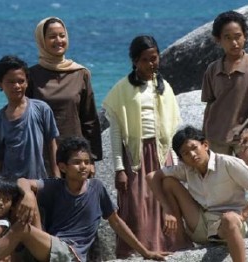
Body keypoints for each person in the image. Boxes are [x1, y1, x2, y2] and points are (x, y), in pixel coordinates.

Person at [0, 137, 169, 262]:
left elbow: (117, 223)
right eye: (76, 163)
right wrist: (28, 194)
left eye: (86, 162)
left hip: (71, 255)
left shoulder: (96, 188)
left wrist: (146, 252)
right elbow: (22, 181)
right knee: (25, 198)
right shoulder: (55, 186)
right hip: (51, 246)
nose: (83, 167)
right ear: (62, 167)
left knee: (21, 229)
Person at [102, 35, 190, 258]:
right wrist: (119, 168)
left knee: (166, 203)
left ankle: (170, 248)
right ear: (134, 61)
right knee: (137, 205)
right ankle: (140, 251)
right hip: (136, 156)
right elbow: (116, 132)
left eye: (155, 58)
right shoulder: (122, 89)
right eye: (145, 60)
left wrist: (176, 162)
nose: (152, 64)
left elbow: (172, 127)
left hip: (162, 154)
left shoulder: (164, 87)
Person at [201, 11, 248, 243]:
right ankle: (220, 231)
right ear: (218, 40)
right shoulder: (213, 69)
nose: (234, 42)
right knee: (218, 186)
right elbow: (210, 104)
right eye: (228, 38)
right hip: (215, 136)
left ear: (245, 37)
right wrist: (204, 137)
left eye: (238, 36)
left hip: (244, 136)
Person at [146, 126, 248, 262]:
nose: (192, 155)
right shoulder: (186, 169)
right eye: (186, 153)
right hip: (201, 225)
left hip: (229, 226)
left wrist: (244, 215)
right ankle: (181, 241)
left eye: (194, 148)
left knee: (229, 219)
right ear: (181, 158)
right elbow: (152, 177)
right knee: (168, 182)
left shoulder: (226, 163)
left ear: (205, 145)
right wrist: (167, 210)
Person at [27, 17, 103, 165]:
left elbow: (89, 120)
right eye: (52, 37)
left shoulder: (81, 73)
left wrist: (91, 160)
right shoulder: (31, 76)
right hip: (42, 157)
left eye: (62, 35)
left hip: (75, 157)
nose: (58, 40)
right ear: (41, 40)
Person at [0, 55, 60, 179]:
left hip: (39, 182)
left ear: (27, 81)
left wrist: (56, 176)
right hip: (10, 187)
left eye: (21, 81)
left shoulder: (41, 109)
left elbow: (52, 145)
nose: (17, 86)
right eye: (11, 82)